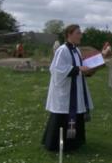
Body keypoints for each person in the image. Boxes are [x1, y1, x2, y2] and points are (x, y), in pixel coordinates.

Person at [42, 24, 95, 152]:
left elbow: (80, 67)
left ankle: (74, 143)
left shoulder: (77, 50)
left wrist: (87, 69)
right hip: (66, 91)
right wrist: (78, 69)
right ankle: (56, 145)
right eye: (78, 33)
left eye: (80, 33)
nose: (80, 35)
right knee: (63, 116)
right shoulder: (62, 50)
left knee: (75, 115)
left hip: (76, 90)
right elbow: (57, 70)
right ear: (69, 34)